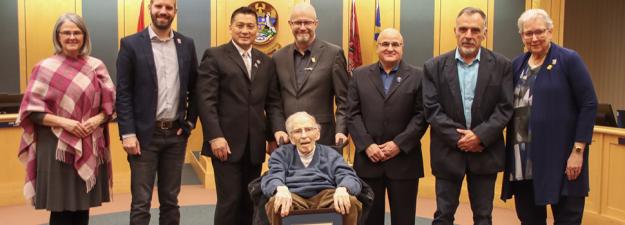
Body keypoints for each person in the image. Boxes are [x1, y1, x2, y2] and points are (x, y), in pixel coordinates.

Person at [16, 13, 115, 225]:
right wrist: (65, 122)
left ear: (84, 36)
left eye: (77, 32)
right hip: (56, 146)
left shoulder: (96, 66)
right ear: (58, 37)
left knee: (82, 205)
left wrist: (97, 120)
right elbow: (31, 111)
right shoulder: (44, 68)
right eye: (67, 32)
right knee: (60, 208)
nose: (72, 37)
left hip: (88, 140)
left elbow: (111, 106)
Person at [500, 9, 598, 225]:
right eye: (528, 33)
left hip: (562, 157)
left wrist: (578, 151)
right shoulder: (517, 64)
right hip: (523, 159)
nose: (534, 38)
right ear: (522, 36)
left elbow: (589, 104)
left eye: (539, 32)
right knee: (529, 219)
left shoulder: (568, 59)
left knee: (567, 217)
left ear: (550, 31)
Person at [422, 7, 513, 225]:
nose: (468, 35)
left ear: (484, 33)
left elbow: (505, 107)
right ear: (455, 31)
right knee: (443, 216)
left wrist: (480, 136)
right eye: (463, 29)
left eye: (475, 30)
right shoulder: (434, 66)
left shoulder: (502, 65)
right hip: (447, 153)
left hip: (485, 152)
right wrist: (463, 139)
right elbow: (432, 109)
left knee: (483, 217)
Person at [196, 6, 286, 225]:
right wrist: (215, 136)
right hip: (224, 144)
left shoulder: (266, 62)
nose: (245, 30)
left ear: (257, 29)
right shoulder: (215, 56)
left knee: (251, 200)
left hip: (254, 146)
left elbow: (272, 103)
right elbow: (206, 101)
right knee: (230, 202)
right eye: (240, 25)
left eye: (250, 26)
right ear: (230, 28)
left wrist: (274, 134)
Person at [115, 0, 199, 224]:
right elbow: (123, 94)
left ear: (175, 12)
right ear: (150, 8)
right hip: (144, 137)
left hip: (175, 135)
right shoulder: (131, 45)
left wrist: (189, 123)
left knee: (171, 200)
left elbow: (196, 87)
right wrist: (127, 133)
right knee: (141, 203)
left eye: (168, 7)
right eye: (159, 6)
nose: (163, 11)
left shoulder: (186, 44)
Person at [347, 28, 428, 225]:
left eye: (395, 44)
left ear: (402, 47)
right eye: (385, 44)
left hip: (404, 162)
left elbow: (422, 115)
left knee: (404, 219)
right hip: (368, 161)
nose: (390, 48)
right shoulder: (359, 75)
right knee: (369, 220)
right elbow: (352, 113)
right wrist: (367, 145)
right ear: (377, 47)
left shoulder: (419, 76)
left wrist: (398, 144)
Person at [271, 2, 350, 149]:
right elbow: (274, 102)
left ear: (316, 24)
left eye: (307, 22)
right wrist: (278, 129)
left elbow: (344, 100)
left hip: (324, 138)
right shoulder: (277, 57)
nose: (302, 27)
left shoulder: (333, 54)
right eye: (297, 22)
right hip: (288, 140)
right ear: (290, 24)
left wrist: (341, 131)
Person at [262, 112, 362, 225]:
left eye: (308, 129)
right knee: (277, 202)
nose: (304, 135)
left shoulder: (331, 154)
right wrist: (280, 189)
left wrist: (343, 188)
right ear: (291, 138)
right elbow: (272, 176)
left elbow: (348, 176)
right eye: (298, 131)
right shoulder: (281, 154)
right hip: (293, 196)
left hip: (326, 196)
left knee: (349, 201)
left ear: (317, 134)